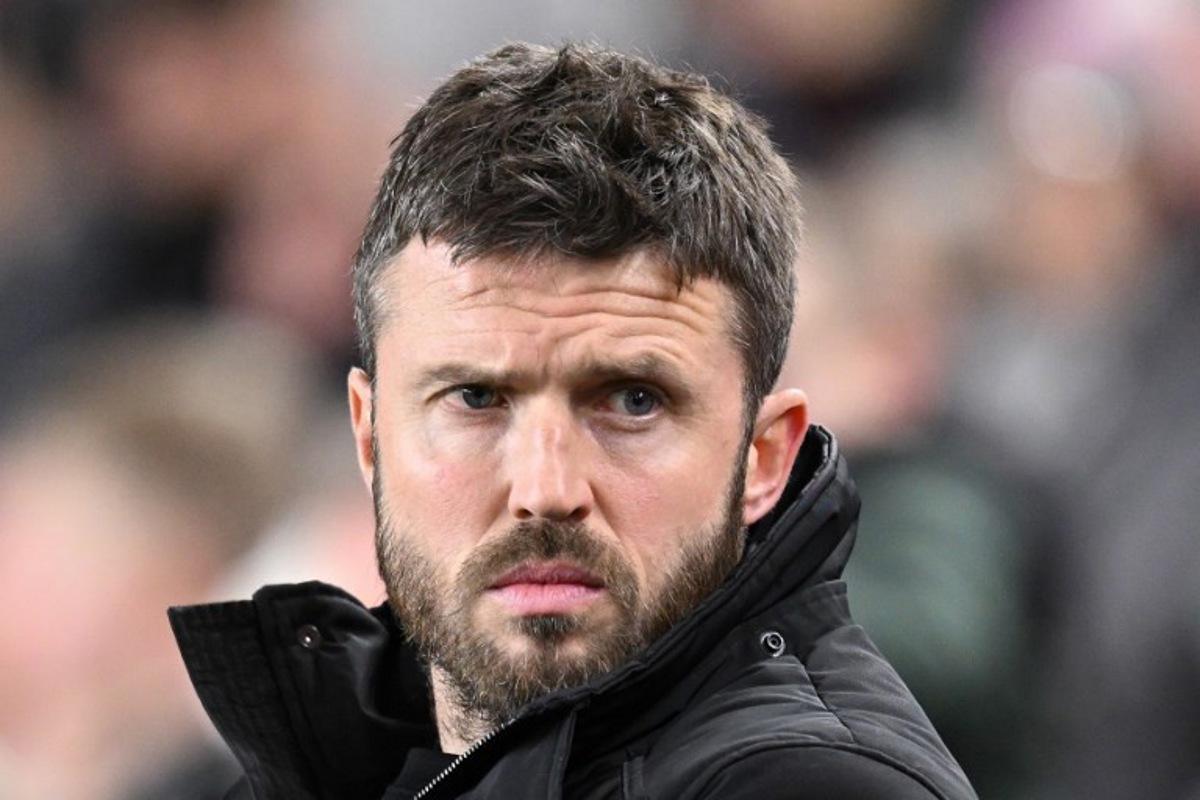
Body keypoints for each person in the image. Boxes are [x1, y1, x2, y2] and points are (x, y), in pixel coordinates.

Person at [169, 43, 976, 799]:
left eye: (632, 401)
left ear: (763, 458)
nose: (545, 490)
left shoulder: (807, 786)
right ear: (370, 436)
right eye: (477, 399)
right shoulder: (341, 758)